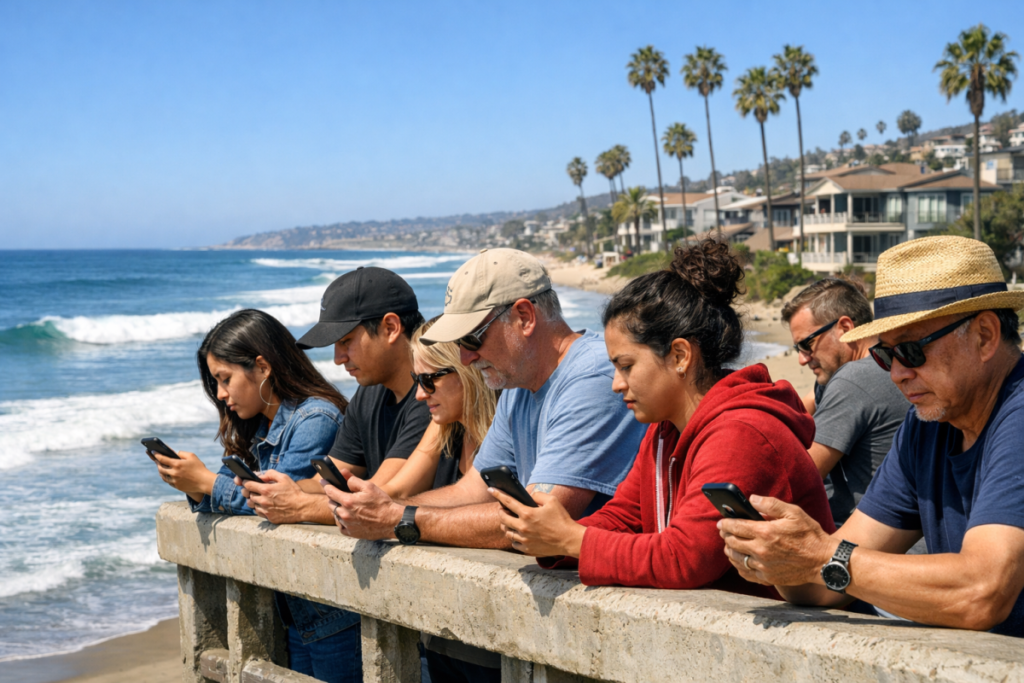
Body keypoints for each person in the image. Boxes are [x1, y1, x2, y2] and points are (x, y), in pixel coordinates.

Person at [488, 240, 834, 596]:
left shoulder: (740, 433)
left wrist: (573, 539)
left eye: (626, 366)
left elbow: (685, 557)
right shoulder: (663, 431)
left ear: (681, 355)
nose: (616, 385)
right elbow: (626, 516)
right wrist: (550, 537)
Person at [719, 236, 1024, 637]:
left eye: (913, 351)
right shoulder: (927, 425)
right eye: (886, 355)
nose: (897, 373)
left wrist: (818, 555)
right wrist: (775, 556)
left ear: (984, 336)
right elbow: (824, 584)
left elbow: (982, 591)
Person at [325, 248, 647, 551]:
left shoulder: (591, 377)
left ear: (524, 317)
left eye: (472, 338)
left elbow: (532, 519)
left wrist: (399, 519)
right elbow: (473, 491)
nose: (465, 357)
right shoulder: (517, 386)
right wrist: (386, 508)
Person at [148, 309, 359, 683]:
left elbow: (278, 505)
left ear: (262, 367)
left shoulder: (315, 419)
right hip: (297, 612)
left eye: (224, 379)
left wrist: (208, 482)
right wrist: (196, 486)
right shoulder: (261, 427)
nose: (220, 394)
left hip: (333, 616)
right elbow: (241, 499)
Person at [364, 317, 502, 683]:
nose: (421, 394)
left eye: (429, 380)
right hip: (440, 629)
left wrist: (391, 513)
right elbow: (396, 492)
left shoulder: (505, 432)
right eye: (416, 382)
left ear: (466, 371)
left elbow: (475, 499)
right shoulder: (444, 426)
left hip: (493, 636)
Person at [236, 266, 431, 525]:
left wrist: (300, 506)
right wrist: (280, 488)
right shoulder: (369, 393)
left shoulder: (432, 393)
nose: (338, 359)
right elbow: (326, 479)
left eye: (345, 341)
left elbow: (383, 495)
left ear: (391, 327)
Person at [781, 278, 910, 525]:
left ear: (846, 328)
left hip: (868, 539)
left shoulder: (854, 378)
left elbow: (796, 481)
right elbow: (798, 410)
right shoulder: (878, 364)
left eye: (807, 344)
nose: (802, 359)